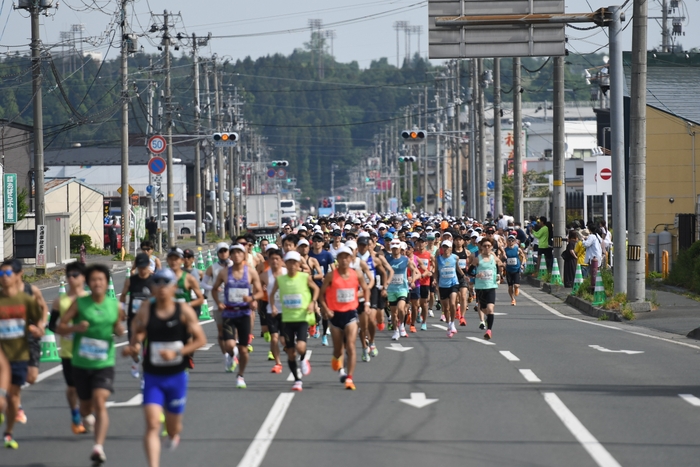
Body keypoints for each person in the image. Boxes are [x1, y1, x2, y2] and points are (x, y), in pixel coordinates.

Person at [122, 268, 207, 467]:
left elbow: (201, 339)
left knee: (173, 427)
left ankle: (174, 433)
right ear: (152, 287)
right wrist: (134, 346)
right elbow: (139, 332)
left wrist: (177, 353)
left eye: (165, 283)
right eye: (157, 282)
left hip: (176, 376)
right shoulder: (146, 308)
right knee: (152, 424)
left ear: (173, 287)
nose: (161, 287)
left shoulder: (183, 310)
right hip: (153, 376)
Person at [58, 264, 125, 465]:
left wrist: (120, 329)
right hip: (80, 362)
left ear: (106, 283)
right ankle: (85, 417)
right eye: (93, 280)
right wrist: (76, 327)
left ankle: (98, 447)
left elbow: (119, 329)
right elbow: (60, 327)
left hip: (104, 362)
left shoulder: (114, 306)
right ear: (88, 282)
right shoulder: (80, 303)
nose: (97, 283)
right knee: (86, 408)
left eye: (101, 280)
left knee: (99, 401)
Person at [0, 259, 43, 449]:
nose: (4, 278)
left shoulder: (26, 299)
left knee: (13, 396)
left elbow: (38, 317)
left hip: (20, 354)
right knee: (3, 396)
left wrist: (38, 329)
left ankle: (8, 433)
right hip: (2, 354)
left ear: (18, 275)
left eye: (7, 274)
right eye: (1, 274)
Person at [319, 246, 370, 390]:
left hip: (350, 314)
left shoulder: (357, 274)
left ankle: (349, 378)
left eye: (347, 257)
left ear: (351, 259)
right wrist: (326, 309)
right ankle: (338, 362)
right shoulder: (331, 275)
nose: (344, 260)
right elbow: (321, 295)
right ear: (337, 259)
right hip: (335, 315)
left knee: (351, 346)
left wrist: (366, 304)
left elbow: (366, 289)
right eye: (341, 257)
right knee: (338, 349)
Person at [211, 244, 263, 388]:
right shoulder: (224, 273)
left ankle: (240, 375)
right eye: (233, 253)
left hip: (244, 313)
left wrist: (252, 299)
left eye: (239, 253)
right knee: (229, 344)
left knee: (244, 349)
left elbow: (259, 292)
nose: (236, 255)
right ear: (230, 256)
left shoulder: (251, 272)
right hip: (229, 312)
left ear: (244, 254)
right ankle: (230, 356)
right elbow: (214, 289)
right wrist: (218, 303)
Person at [48, 261, 89, 434]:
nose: (71, 279)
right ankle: (75, 416)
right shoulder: (60, 301)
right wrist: (62, 331)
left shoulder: (90, 298)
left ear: (83, 278)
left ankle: (86, 411)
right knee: (72, 387)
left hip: (88, 351)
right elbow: (51, 325)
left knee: (87, 388)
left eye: (75, 275)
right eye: (69, 275)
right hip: (68, 351)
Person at [269, 251, 319, 392]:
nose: (292, 265)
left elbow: (316, 289)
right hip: (287, 319)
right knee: (290, 352)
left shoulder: (304, 277)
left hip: (302, 317)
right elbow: (272, 294)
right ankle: (297, 380)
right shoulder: (281, 279)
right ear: (286, 263)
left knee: (301, 348)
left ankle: (303, 359)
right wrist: (272, 306)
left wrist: (312, 302)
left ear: (298, 264)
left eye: (295, 263)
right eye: (289, 262)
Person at [15, 263, 49, 424]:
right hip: (11, 339)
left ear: (20, 274)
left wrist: (41, 325)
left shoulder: (32, 290)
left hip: (30, 336)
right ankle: (17, 405)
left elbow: (43, 308)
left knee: (31, 377)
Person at [120, 253, 153, 378]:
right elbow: (123, 296)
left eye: (144, 267)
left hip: (149, 320)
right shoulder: (130, 280)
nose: (142, 270)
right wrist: (122, 310)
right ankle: (135, 360)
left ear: (148, 265)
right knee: (133, 347)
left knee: (148, 350)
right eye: (139, 267)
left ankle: (146, 374)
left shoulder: (153, 280)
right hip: (133, 319)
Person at [386, 239, 420, 341]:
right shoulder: (387, 259)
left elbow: (414, 270)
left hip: (402, 289)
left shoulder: (405, 260)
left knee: (401, 308)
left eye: (397, 248)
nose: (395, 250)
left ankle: (402, 326)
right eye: (393, 249)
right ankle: (396, 331)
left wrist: (413, 280)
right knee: (393, 313)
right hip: (391, 290)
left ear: (400, 248)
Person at [260, 248, 286, 373]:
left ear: (281, 260)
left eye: (277, 259)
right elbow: (257, 290)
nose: (274, 261)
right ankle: (278, 363)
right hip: (272, 310)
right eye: (272, 259)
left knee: (284, 340)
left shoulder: (288, 273)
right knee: (274, 338)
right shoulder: (265, 275)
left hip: (287, 311)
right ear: (268, 260)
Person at [471, 238, 503, 340]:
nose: (487, 247)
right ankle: (487, 319)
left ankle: (489, 330)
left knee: (490, 309)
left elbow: (501, 264)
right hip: (480, 287)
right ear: (481, 247)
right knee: (483, 308)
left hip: (491, 286)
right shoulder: (478, 259)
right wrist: (476, 275)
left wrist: (499, 275)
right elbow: (470, 271)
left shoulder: (494, 258)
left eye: (489, 246)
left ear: (492, 247)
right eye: (484, 246)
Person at [433, 240, 465, 337]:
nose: (446, 249)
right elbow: (436, 272)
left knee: (452, 303)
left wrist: (464, 276)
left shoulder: (455, 258)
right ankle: (449, 324)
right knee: (445, 308)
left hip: (453, 283)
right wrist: (435, 280)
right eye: (444, 247)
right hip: (443, 285)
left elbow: (458, 268)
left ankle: (452, 323)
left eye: (447, 247)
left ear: (451, 248)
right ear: (442, 248)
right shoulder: (438, 259)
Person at [308, 233, 335, 345]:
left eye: (319, 240)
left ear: (323, 243)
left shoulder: (327, 255)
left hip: (324, 285)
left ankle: (324, 335)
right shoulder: (309, 254)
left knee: (324, 312)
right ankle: (316, 324)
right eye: (314, 240)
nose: (317, 242)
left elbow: (333, 270)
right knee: (314, 309)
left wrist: (329, 280)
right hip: (312, 285)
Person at [504, 234, 526, 305]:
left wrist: (522, 264)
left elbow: (523, 257)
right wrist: (503, 262)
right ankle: (513, 299)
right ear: (507, 241)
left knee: (516, 285)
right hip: (508, 270)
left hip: (516, 269)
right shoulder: (505, 250)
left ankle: (516, 288)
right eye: (509, 240)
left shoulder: (517, 249)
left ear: (515, 241)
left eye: (512, 240)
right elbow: (502, 258)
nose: (511, 242)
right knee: (510, 286)